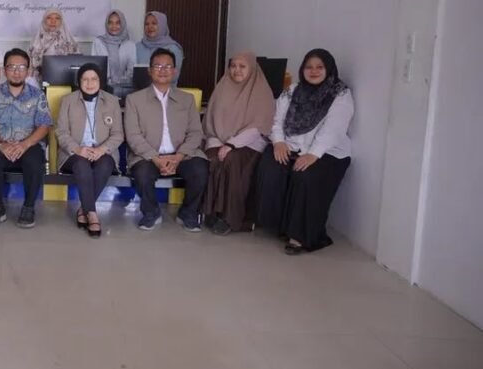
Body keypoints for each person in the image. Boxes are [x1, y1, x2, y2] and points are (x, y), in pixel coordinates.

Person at [256, 49, 353, 255]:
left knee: (305, 176)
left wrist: (313, 154)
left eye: (319, 67)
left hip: (327, 152)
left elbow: (333, 129)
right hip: (291, 145)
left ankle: (302, 237)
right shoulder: (293, 90)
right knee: (271, 166)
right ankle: (280, 225)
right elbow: (276, 119)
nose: (313, 71)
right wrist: (278, 142)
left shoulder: (340, 94)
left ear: (329, 69)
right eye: (309, 67)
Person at [123, 48, 209, 231]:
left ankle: (188, 213)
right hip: (148, 156)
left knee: (200, 169)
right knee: (142, 174)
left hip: (182, 155)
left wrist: (178, 157)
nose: (163, 70)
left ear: (175, 71)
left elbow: (195, 132)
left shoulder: (187, 99)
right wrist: (156, 158)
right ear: (149, 70)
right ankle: (151, 213)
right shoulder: (134, 100)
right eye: (158, 66)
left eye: (168, 66)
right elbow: (133, 135)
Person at [202, 52, 275, 235]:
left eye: (242, 66)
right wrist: (217, 144)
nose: (236, 70)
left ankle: (232, 218)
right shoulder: (222, 87)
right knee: (211, 158)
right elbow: (210, 122)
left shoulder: (261, 91)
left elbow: (259, 127)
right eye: (233, 66)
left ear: (252, 68)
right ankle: (212, 213)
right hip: (220, 141)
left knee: (232, 161)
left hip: (249, 144)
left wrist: (231, 145)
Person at [0, 49, 53, 228]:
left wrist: (24, 144)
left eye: (21, 67)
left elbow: (44, 125)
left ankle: (28, 207)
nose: (17, 71)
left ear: (28, 70)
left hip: (28, 144)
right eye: (12, 67)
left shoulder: (37, 95)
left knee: (35, 161)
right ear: (4, 70)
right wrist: (1, 144)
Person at [55, 64, 123, 237]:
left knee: (105, 164)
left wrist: (102, 149)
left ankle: (84, 209)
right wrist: (77, 149)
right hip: (74, 152)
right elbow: (61, 132)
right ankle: (92, 214)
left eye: (94, 79)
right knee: (81, 164)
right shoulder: (68, 100)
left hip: (103, 151)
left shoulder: (112, 101)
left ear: (100, 81)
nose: (90, 83)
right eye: (85, 79)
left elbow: (118, 134)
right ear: (79, 81)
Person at [91, 9, 137, 98]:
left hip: (123, 90)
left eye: (117, 23)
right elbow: (95, 67)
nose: (114, 26)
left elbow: (131, 71)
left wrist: (119, 84)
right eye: (110, 22)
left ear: (122, 24)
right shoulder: (99, 42)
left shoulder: (130, 44)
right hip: (101, 89)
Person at [29, 8, 79, 82]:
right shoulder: (37, 40)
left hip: (65, 79)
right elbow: (31, 64)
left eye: (57, 18)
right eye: (49, 18)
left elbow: (76, 63)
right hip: (40, 80)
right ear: (44, 20)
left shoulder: (69, 40)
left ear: (61, 21)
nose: (53, 21)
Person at [136, 11, 184, 85]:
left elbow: (174, 76)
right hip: (140, 89)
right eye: (147, 24)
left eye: (154, 23)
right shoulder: (138, 47)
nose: (150, 27)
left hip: (166, 90)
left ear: (162, 25)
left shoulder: (173, 48)